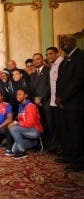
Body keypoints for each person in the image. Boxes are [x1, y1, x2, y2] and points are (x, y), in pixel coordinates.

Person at [55, 35, 84, 172]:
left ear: (74, 42)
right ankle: (69, 155)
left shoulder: (81, 56)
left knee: (76, 133)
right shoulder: (65, 60)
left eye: (66, 41)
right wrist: (57, 97)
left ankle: (79, 162)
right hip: (63, 103)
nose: (63, 44)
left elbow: (78, 80)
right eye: (62, 42)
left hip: (76, 103)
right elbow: (59, 80)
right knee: (66, 131)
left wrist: (64, 97)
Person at [9, 89, 43, 159]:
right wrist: (16, 123)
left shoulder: (30, 106)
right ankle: (35, 143)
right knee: (14, 149)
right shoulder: (21, 106)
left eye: (20, 94)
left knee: (14, 128)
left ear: (25, 95)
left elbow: (29, 123)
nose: (17, 96)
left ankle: (23, 152)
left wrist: (16, 123)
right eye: (17, 94)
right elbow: (22, 121)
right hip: (27, 131)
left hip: (35, 130)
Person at [29, 53, 51, 150]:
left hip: (47, 103)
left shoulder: (49, 71)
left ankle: (52, 146)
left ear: (42, 60)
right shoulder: (32, 75)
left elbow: (50, 87)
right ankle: (42, 145)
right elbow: (31, 90)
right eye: (34, 60)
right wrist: (35, 99)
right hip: (36, 104)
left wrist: (42, 98)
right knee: (39, 125)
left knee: (49, 125)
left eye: (38, 59)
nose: (35, 61)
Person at [46, 47, 64, 153]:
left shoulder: (62, 64)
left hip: (61, 102)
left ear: (58, 53)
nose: (48, 56)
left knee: (64, 128)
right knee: (58, 128)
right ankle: (62, 149)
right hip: (53, 102)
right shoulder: (52, 66)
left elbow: (64, 83)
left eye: (51, 54)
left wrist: (61, 99)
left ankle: (67, 151)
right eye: (47, 54)